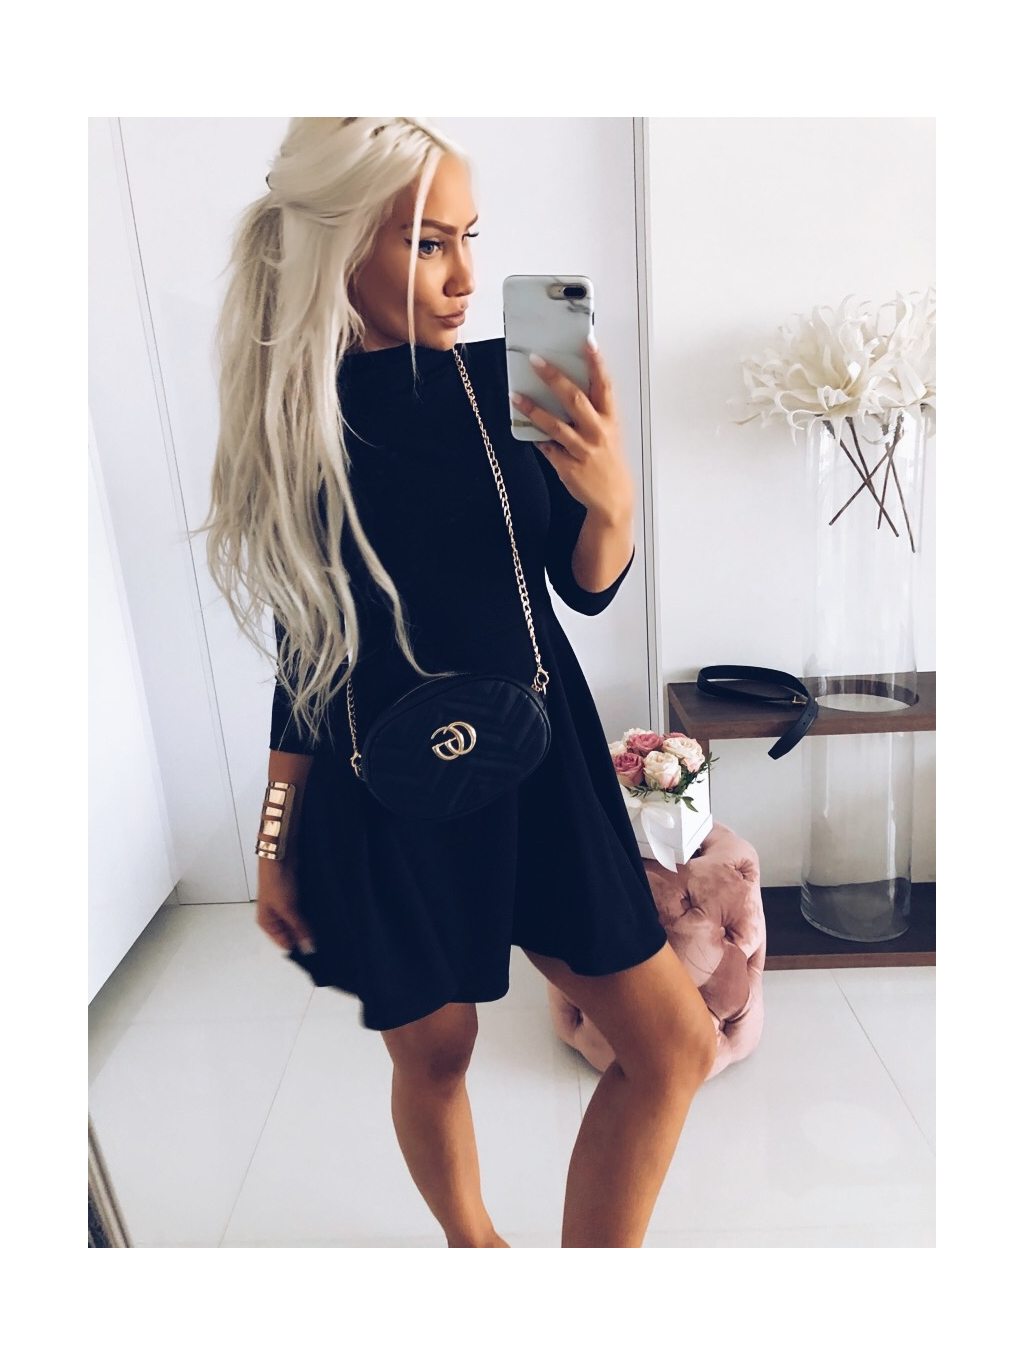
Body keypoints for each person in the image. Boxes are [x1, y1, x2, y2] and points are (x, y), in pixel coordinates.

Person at [200, 117, 717, 1249]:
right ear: (339, 246)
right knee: (436, 1055)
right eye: (428, 243)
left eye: (469, 237)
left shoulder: (509, 382)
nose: (466, 277)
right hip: (380, 787)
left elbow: (583, 588)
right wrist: (273, 838)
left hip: (541, 765)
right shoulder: (299, 425)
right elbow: (302, 659)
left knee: (673, 1048)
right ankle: (476, 1252)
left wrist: (614, 498)